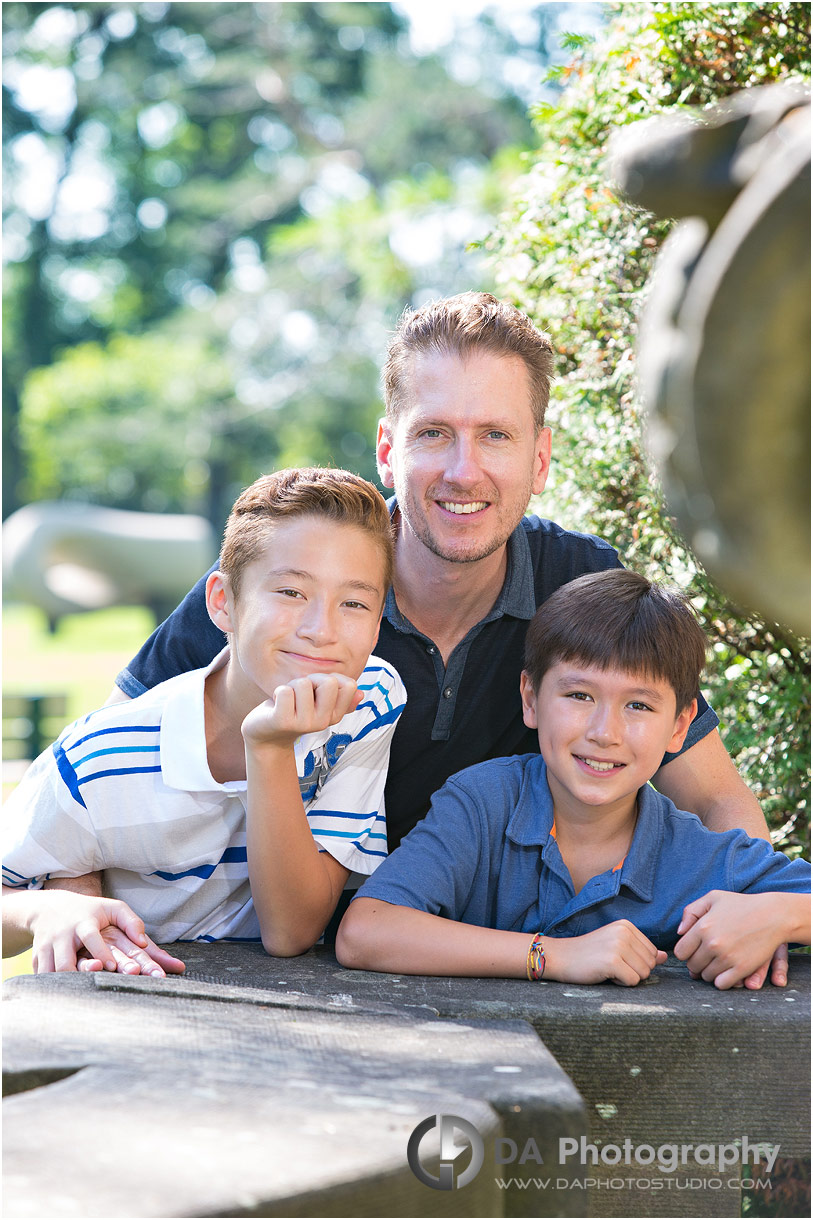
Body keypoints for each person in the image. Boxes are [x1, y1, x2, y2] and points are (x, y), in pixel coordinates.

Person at [38, 293, 779, 979]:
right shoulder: (292, 588)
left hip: (479, 972)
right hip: (243, 959)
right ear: (388, 450)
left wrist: (755, 917)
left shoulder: (577, 587)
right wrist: (77, 913)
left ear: (540, 458)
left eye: (495, 435)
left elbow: (718, 804)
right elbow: (99, 770)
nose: (464, 471)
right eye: (434, 434)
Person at [3, 468, 406, 973]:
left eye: (353, 602)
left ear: (377, 623)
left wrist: (269, 747)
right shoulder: (100, 759)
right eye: (289, 593)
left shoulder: (370, 701)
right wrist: (47, 907)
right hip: (133, 1001)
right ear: (222, 602)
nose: (320, 630)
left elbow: (291, 930)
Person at [335, 571, 810, 990]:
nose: (605, 733)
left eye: (639, 706)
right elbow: (365, 931)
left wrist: (777, 914)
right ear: (532, 699)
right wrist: (552, 956)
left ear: (681, 726)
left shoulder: (700, 857)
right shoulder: (481, 804)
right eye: (580, 695)